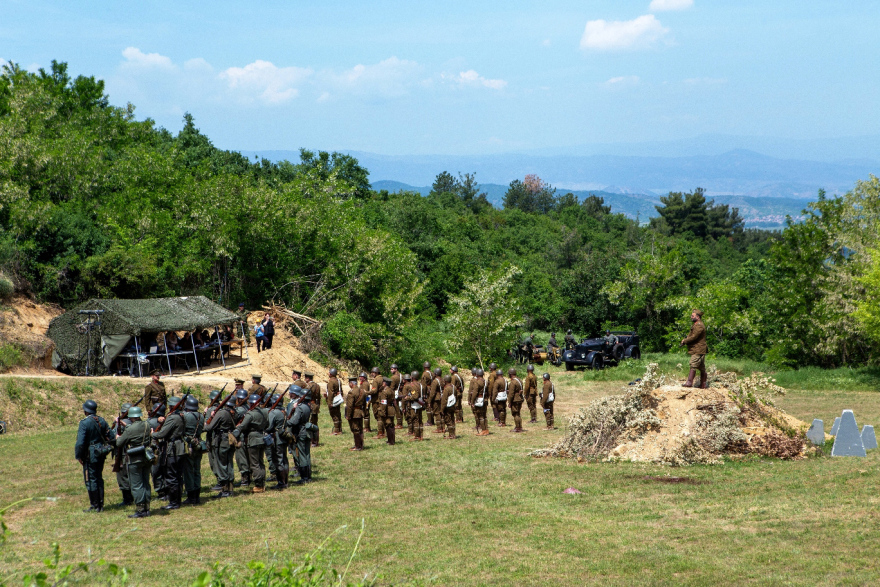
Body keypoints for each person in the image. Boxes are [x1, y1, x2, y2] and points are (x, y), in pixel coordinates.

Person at [75, 399, 113, 513]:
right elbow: (111, 436)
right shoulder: (101, 420)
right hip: (101, 452)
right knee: (98, 478)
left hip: (90, 454)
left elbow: (80, 443)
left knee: (91, 479)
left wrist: (78, 456)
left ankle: (95, 505)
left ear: (86, 411)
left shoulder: (84, 423)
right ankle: (100, 504)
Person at [114, 405, 152, 518]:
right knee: (146, 482)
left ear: (131, 417)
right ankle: (147, 508)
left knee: (136, 485)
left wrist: (117, 437)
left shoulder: (130, 429)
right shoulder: (147, 424)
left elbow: (119, 443)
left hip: (134, 458)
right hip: (146, 456)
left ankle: (140, 509)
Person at [151, 395, 186, 510]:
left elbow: (162, 434)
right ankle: (177, 500)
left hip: (172, 449)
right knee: (177, 475)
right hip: (180, 448)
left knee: (171, 476)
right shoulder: (181, 416)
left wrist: (152, 434)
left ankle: (174, 502)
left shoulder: (172, 418)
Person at [233, 393, 268, 493]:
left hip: (252, 439)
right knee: (260, 462)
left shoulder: (250, 414)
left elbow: (243, 426)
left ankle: (258, 485)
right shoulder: (265, 411)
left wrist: (236, 431)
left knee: (254, 464)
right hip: (262, 438)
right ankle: (262, 483)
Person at [204, 394, 236, 498]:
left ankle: (225, 490)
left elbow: (209, 427)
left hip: (221, 442)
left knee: (222, 465)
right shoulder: (232, 413)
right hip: (229, 440)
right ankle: (230, 489)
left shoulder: (221, 413)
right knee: (229, 464)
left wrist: (208, 420)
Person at [286, 385, 313, 484]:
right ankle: (308, 476)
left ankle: (304, 477)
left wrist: (286, 422)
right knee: (307, 454)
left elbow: (294, 421)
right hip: (307, 431)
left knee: (301, 455)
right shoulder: (308, 406)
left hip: (300, 432)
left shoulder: (300, 408)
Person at [180, 396, 205, 505]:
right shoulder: (201, 416)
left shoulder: (185, 416)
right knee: (197, 471)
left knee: (189, 472)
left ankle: (191, 497)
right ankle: (197, 496)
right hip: (199, 444)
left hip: (189, 445)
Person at [112, 403, 134, 507]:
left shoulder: (120, 424)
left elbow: (113, 436)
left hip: (122, 452)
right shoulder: (135, 423)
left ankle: (127, 499)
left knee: (122, 475)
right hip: (132, 452)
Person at [267, 393, 290, 489]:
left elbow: (269, 427)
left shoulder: (274, 412)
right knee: (284, 459)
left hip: (277, 438)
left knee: (278, 460)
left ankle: (281, 482)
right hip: (284, 437)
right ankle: (286, 480)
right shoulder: (284, 411)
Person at [680, 309, 708, 388]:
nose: (691, 317)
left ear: (698, 317)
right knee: (701, 366)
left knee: (693, 364)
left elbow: (694, 336)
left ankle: (689, 382)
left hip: (698, 349)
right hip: (700, 349)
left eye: (693, 316)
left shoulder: (699, 325)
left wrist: (685, 341)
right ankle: (703, 384)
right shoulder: (697, 324)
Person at [346, 376, 366, 450]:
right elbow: (364, 403)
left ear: (351, 384)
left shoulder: (351, 392)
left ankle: (358, 446)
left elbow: (350, 406)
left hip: (354, 413)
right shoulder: (362, 391)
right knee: (360, 429)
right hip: (360, 412)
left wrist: (348, 415)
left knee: (355, 429)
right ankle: (361, 445)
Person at [302, 371, 321, 447]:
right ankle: (316, 441)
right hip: (315, 405)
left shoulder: (309, 386)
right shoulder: (317, 386)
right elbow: (319, 397)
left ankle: (312, 441)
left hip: (310, 405)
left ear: (307, 378)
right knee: (315, 424)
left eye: (305, 378)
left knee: (310, 424)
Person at [470, 368, 490, 436]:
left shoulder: (477, 382)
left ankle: (483, 430)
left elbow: (475, 392)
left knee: (480, 416)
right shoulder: (485, 381)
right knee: (484, 415)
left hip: (479, 399)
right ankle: (486, 429)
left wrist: (472, 401)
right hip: (484, 399)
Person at [378, 377, 396, 445]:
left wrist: (383, 412)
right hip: (391, 409)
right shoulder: (391, 390)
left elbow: (384, 403)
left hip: (387, 409)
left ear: (384, 383)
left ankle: (391, 441)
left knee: (388, 425)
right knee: (391, 424)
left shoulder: (384, 391)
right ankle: (391, 440)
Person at [326, 368, 344, 435]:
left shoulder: (331, 381)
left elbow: (330, 393)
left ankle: (336, 431)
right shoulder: (338, 381)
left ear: (331, 374)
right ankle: (340, 429)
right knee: (338, 414)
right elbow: (341, 391)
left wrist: (329, 402)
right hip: (337, 399)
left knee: (334, 414)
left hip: (333, 400)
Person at [407, 370, 425, 440]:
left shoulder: (412, 385)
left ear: (412, 377)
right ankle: (421, 435)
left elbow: (415, 396)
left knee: (415, 420)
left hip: (415, 405)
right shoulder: (420, 384)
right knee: (420, 420)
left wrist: (407, 397)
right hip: (420, 404)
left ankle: (417, 436)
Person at [507, 368, 525, 432]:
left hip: (515, 399)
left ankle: (518, 427)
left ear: (510, 374)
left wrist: (509, 402)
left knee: (515, 413)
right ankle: (519, 426)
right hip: (519, 398)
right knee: (518, 413)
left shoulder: (513, 382)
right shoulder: (519, 380)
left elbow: (511, 393)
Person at [440, 375, 457, 439]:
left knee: (448, 420)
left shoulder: (446, 388)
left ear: (445, 381)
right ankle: (453, 433)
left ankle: (451, 435)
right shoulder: (454, 387)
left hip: (448, 406)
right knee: (452, 419)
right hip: (453, 405)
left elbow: (444, 400)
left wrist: (442, 409)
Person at [430, 367, 444, 434]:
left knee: (437, 413)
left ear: (435, 373)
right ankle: (443, 427)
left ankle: (439, 428)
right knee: (441, 412)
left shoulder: (435, 381)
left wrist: (429, 401)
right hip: (442, 397)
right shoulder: (443, 380)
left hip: (436, 398)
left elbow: (432, 393)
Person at [389, 364, 404, 429]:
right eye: (391, 369)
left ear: (396, 369)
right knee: (400, 408)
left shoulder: (393, 377)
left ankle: (399, 424)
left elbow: (391, 387)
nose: (391, 370)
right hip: (401, 392)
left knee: (397, 409)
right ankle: (400, 422)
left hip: (396, 393)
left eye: (392, 369)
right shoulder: (401, 375)